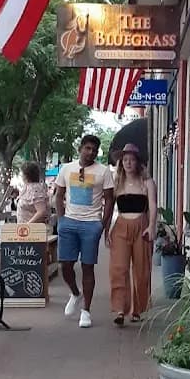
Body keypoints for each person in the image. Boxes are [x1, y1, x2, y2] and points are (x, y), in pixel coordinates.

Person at [54, 135, 114, 328]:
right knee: (65, 265)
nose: (91, 153)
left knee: (88, 267)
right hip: (69, 222)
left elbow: (110, 200)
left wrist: (102, 225)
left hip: (91, 224)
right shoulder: (66, 168)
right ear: (80, 148)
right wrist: (61, 219)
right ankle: (75, 293)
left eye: (94, 150)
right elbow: (59, 194)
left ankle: (86, 310)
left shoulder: (103, 171)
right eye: (87, 148)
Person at [106, 143, 157, 326]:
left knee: (141, 269)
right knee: (118, 268)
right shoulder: (117, 182)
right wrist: (106, 229)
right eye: (125, 160)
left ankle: (137, 309)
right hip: (121, 226)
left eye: (132, 160)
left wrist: (151, 226)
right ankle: (120, 309)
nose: (128, 163)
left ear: (138, 162)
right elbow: (109, 207)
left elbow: (152, 205)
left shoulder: (147, 182)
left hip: (141, 225)